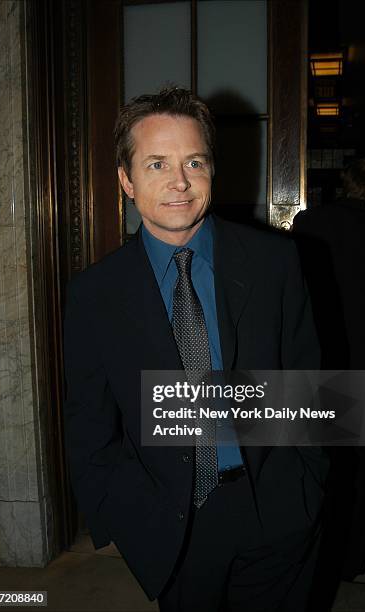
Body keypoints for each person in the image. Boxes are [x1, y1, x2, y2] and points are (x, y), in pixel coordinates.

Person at [63, 87, 329, 612]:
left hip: (275, 506)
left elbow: (310, 383)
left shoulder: (276, 263)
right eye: (156, 163)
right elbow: (89, 421)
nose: (179, 182)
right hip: (172, 523)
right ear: (125, 179)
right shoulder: (94, 293)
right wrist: (118, 514)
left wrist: (309, 487)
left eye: (194, 161)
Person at [293, 150, 365, 611]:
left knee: (317, 467)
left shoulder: (312, 223)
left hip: (319, 359)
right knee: (361, 474)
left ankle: (312, 554)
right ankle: (349, 560)